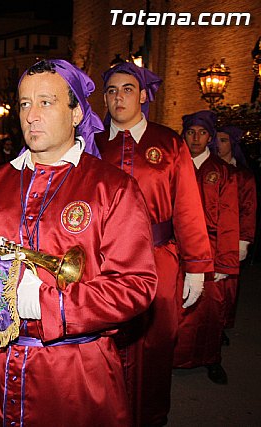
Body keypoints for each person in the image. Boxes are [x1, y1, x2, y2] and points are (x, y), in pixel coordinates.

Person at [0, 59, 157, 426]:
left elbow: (137, 285)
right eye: (25, 104)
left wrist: (42, 303)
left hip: (74, 373)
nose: (31, 115)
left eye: (46, 102)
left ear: (76, 113)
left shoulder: (113, 187)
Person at [95, 62, 213, 427]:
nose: (119, 98)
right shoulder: (93, 143)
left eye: (127, 89)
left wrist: (196, 267)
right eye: (112, 91)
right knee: (104, 344)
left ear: (143, 95)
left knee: (157, 342)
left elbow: (189, 209)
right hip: (104, 262)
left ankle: (150, 416)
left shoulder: (170, 143)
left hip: (159, 259)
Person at [174, 111, 240, 385]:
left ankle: (211, 359)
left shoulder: (222, 172)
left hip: (212, 250)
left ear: (210, 137)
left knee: (210, 310)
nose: (196, 138)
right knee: (178, 308)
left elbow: (229, 217)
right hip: (178, 249)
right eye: (191, 132)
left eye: (202, 133)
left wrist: (226, 262)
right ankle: (174, 358)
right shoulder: (174, 165)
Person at [214, 126, 257, 336]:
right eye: (216, 139)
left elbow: (249, 208)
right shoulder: (207, 169)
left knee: (227, 287)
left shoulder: (243, 176)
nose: (217, 144)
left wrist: (244, 240)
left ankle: (220, 327)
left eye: (223, 140)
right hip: (209, 236)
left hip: (231, 236)